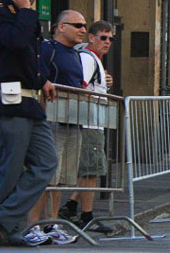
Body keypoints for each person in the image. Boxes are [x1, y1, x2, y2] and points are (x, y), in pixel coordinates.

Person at [0, 0, 58, 247]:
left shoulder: (25, 15)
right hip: (9, 101)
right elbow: (14, 42)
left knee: (47, 162)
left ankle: (1, 218)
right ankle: (6, 228)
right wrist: (25, 12)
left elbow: (30, 57)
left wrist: (43, 80)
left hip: (29, 101)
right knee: (10, 171)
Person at [26, 10, 88, 245]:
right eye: (78, 25)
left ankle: (51, 225)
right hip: (51, 120)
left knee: (62, 178)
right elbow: (38, 79)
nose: (83, 29)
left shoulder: (75, 54)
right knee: (47, 175)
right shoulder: (48, 49)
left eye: (84, 25)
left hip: (73, 119)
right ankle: (33, 225)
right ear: (61, 27)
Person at [58, 20, 115, 233]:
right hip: (88, 121)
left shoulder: (93, 59)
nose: (107, 42)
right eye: (103, 37)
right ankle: (86, 215)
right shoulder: (87, 58)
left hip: (93, 121)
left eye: (110, 39)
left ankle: (72, 206)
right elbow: (79, 86)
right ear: (91, 38)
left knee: (91, 168)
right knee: (90, 169)